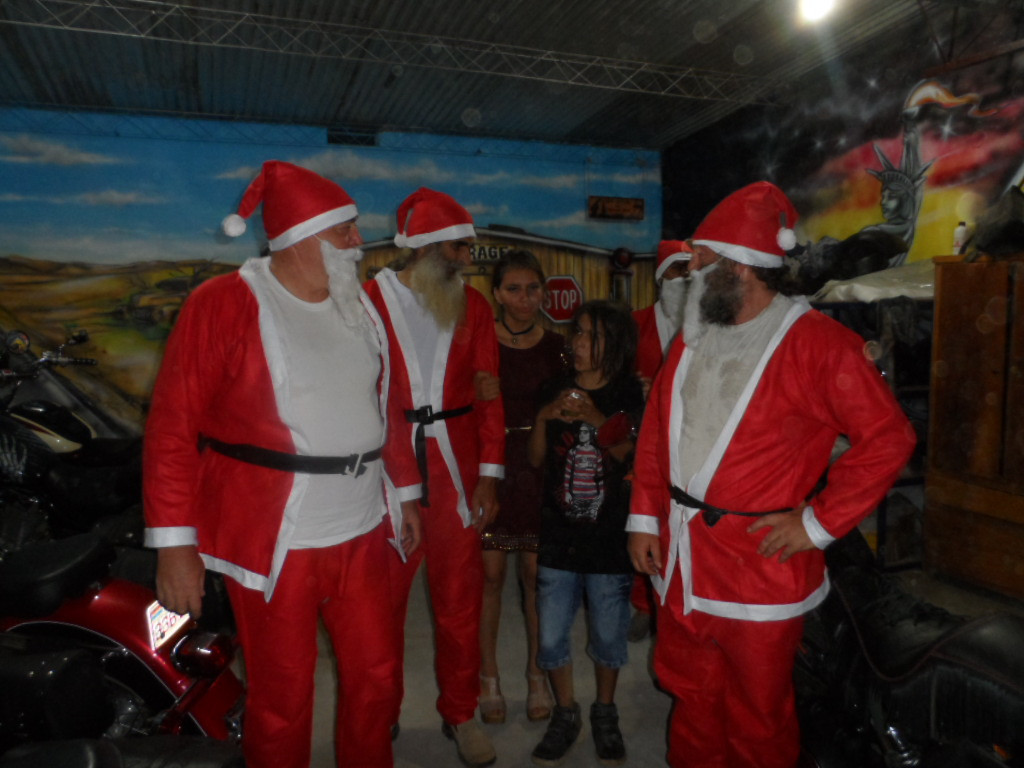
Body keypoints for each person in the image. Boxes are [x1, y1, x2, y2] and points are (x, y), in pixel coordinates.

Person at [627, 181, 916, 768]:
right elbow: (658, 432)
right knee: (691, 695)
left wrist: (816, 525)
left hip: (758, 566)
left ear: (738, 266)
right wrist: (643, 519)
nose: (691, 271)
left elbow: (889, 439)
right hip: (681, 558)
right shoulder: (692, 336)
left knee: (758, 717)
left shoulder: (819, 344)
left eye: (702, 260)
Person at [143, 160, 420, 768]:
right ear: (300, 235)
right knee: (282, 698)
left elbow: (385, 405)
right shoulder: (224, 303)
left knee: (377, 677)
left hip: (363, 530)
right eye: (344, 229)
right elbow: (171, 428)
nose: (358, 241)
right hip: (277, 541)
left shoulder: (359, 305)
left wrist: (405, 493)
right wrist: (174, 545)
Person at [363, 187, 505, 768]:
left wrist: (489, 475)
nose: (469, 256)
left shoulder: (474, 306)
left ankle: (461, 712)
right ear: (424, 246)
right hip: (388, 468)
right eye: (459, 246)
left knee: (459, 601)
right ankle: (380, 710)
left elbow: (490, 395)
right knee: (383, 605)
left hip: (457, 470)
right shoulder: (368, 302)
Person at [527, 300, 644, 767]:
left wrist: (597, 419)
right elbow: (536, 459)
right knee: (550, 637)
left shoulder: (629, 393)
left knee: (609, 637)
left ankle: (604, 712)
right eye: (576, 332)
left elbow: (631, 459)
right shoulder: (553, 387)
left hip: (610, 538)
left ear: (614, 344)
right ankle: (565, 712)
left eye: (588, 335)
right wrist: (543, 418)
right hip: (558, 536)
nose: (575, 342)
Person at [479, 250, 568, 725]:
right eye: (513, 289)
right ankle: (488, 677)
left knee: (536, 577)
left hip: (538, 470)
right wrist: (470, 390)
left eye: (533, 288)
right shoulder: (478, 345)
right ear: (496, 293)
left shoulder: (559, 347)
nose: (524, 298)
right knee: (489, 577)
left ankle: (537, 675)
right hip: (490, 469)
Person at [628, 239, 692, 641]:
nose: (684, 278)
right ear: (660, 277)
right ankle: (642, 602)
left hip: (689, 439)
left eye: (689, 270)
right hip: (643, 437)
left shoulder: (705, 324)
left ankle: (677, 596)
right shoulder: (636, 324)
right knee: (644, 517)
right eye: (675, 270)